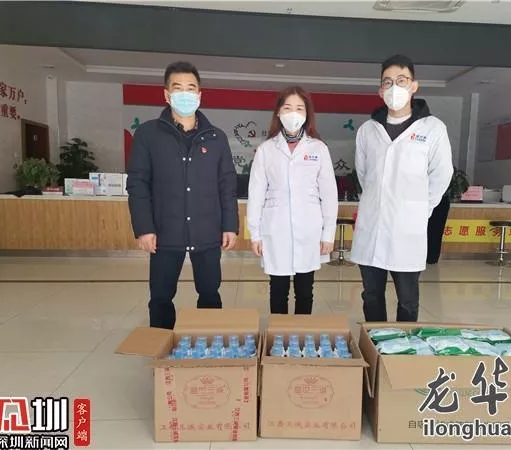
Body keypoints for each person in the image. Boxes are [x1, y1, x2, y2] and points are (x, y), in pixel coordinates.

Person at [126, 61, 238, 330]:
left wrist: (230, 226)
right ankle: (161, 347)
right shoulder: (148, 134)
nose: (185, 94)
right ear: (166, 95)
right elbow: (138, 184)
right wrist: (144, 228)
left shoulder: (216, 137)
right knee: (161, 296)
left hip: (207, 231)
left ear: (199, 94)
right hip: (165, 232)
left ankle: (208, 344)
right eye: (178, 88)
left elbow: (227, 185)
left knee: (210, 293)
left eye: (191, 88)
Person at [351, 54, 453, 322]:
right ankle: (374, 343)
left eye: (401, 80)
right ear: (380, 90)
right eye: (387, 82)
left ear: (414, 86)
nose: (394, 87)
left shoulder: (433, 128)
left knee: (407, 299)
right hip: (372, 226)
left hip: (408, 228)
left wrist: (419, 208)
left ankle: (402, 347)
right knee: (371, 295)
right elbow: (364, 174)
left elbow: (442, 174)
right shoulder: (368, 130)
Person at [247, 86, 338, 315]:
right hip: (275, 229)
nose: (293, 113)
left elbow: (329, 194)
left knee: (305, 291)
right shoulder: (266, 150)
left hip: (309, 230)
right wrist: (255, 233)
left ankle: (301, 334)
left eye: (299, 108)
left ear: (307, 114)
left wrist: (328, 234)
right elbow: (256, 193)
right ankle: (277, 335)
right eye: (287, 108)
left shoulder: (318, 148)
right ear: (278, 112)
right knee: (278, 291)